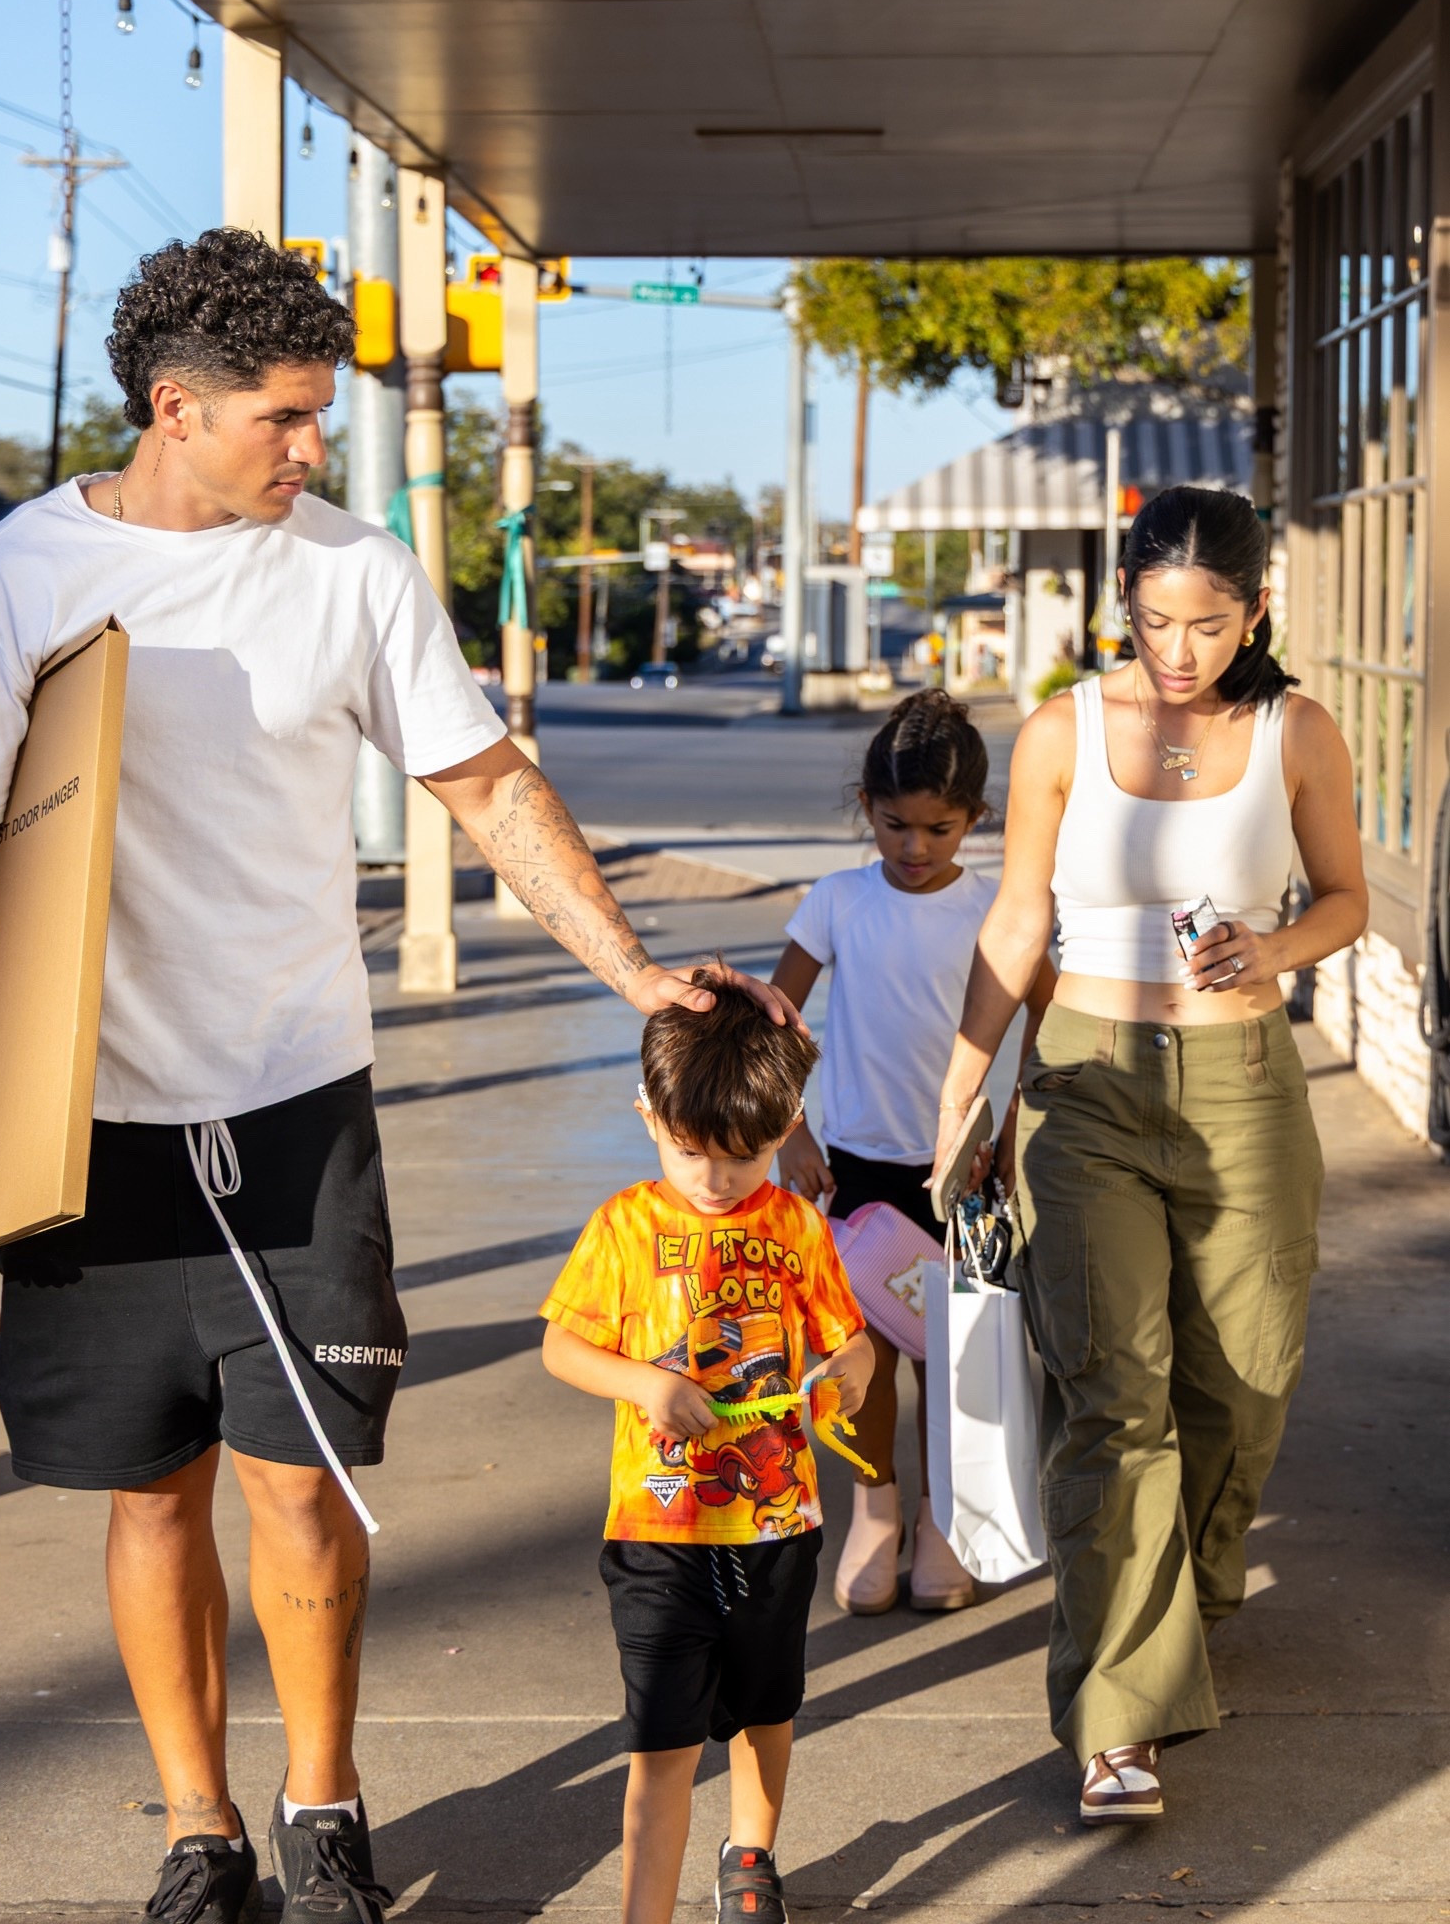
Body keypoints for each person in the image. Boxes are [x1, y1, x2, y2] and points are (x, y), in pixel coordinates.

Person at [0, 229, 800, 1924]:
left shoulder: (350, 571)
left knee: (303, 1481)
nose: (313, 450)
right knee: (146, 1491)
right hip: (79, 1116)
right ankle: (198, 1827)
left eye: (320, 418)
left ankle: (321, 1810)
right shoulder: (14, 579)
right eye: (285, 419)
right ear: (175, 406)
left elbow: (484, 781)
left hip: (299, 1101)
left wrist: (634, 970)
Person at [931, 485, 1367, 1826]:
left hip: (1242, 1083)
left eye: (1208, 626)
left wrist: (1276, 948)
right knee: (1114, 1392)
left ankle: (1184, 1596)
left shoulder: (1296, 729)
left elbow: (1345, 896)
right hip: (1084, 1081)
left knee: (1242, 1386)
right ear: (1122, 602)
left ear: (1254, 616)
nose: (1178, 652)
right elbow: (1017, 916)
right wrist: (964, 1096)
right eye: (1154, 621)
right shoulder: (1062, 728)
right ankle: (1117, 1714)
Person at [539, 973, 874, 1924]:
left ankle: (752, 1856)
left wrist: (853, 1371)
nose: (716, 1181)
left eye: (746, 1156)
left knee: (766, 1707)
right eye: (692, 1153)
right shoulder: (622, 1226)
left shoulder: (795, 1225)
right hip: (656, 1530)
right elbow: (563, 1346)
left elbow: (846, 1337)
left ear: (788, 1124)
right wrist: (646, 1383)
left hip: (774, 1525)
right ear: (648, 1115)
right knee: (659, 1735)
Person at [771, 691, 1054, 1616]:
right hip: (853, 1170)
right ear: (866, 807)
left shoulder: (999, 911)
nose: (915, 847)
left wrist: (1014, 1130)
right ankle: (874, 1512)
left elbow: (1050, 1022)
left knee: (953, 1356)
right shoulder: (836, 903)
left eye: (940, 827)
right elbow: (771, 1028)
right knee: (860, 1355)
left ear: (977, 818)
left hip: (967, 1174)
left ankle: (943, 1519)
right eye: (895, 825)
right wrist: (792, 1132)